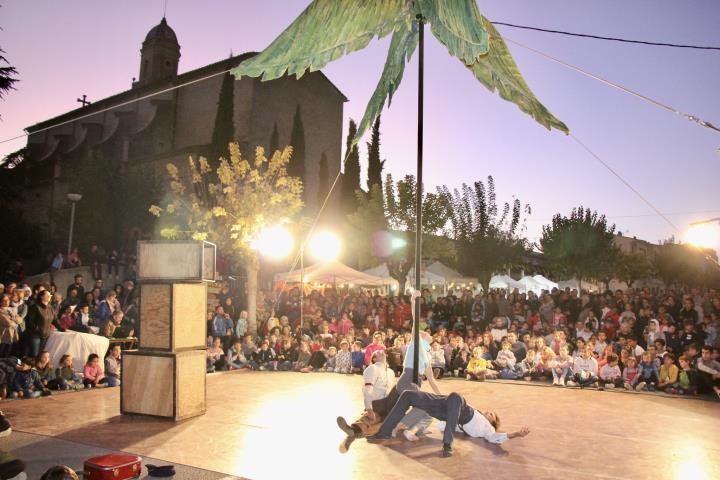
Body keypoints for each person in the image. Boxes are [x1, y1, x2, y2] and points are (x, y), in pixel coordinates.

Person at [367, 390, 530, 458]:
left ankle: (447, 444)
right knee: (408, 394)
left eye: (491, 414)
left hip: (460, 410)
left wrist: (516, 434)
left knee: (455, 396)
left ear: (493, 422)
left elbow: (495, 437)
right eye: (489, 411)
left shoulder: (487, 428)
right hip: (445, 405)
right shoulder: (477, 412)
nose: (488, 412)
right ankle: (384, 431)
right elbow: (445, 424)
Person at [336, 350, 396, 453]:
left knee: (377, 424)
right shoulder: (372, 368)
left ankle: (351, 435)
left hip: (388, 405)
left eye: (383, 351)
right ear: (374, 358)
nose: (381, 351)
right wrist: (369, 408)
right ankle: (353, 430)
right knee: (369, 419)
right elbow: (367, 390)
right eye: (377, 352)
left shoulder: (391, 372)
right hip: (377, 404)